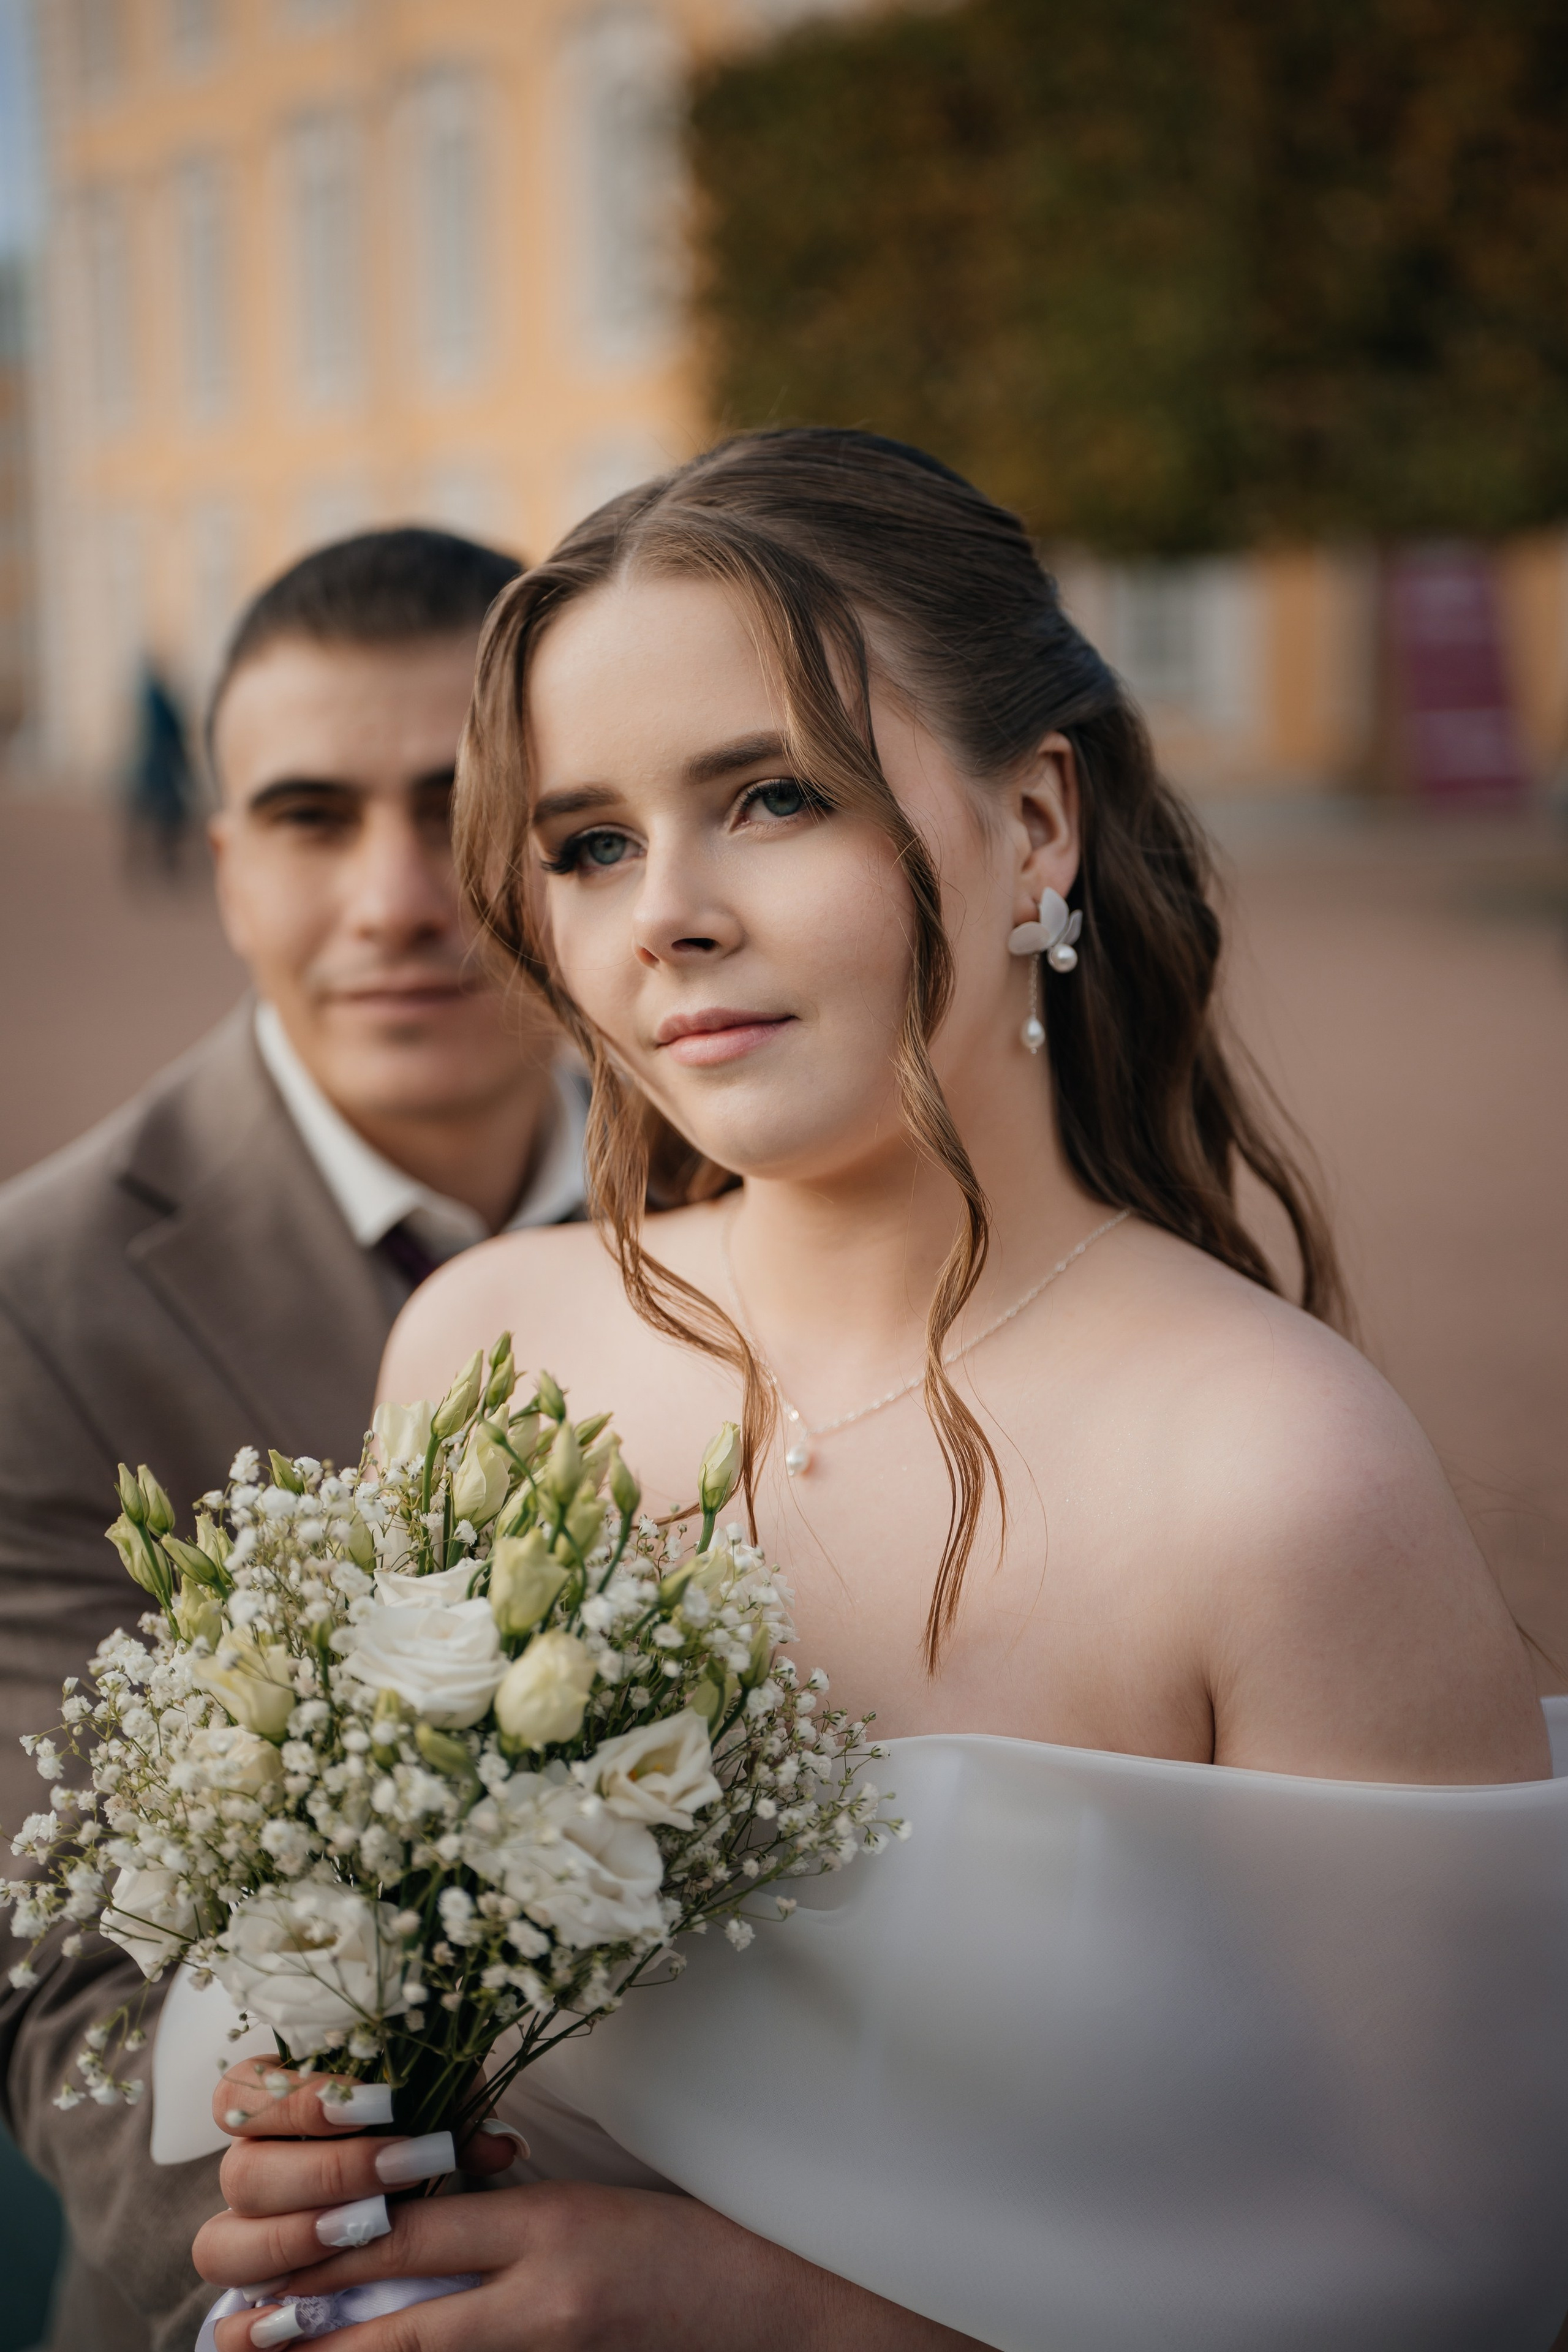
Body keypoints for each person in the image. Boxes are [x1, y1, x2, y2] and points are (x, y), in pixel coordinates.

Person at [182, 434, 1564, 2347]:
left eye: (771, 796)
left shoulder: (1275, 1476)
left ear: (1041, 824)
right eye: (590, 843)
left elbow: (1470, 2277)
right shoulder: (487, 1352)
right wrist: (317, 2135)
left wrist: (757, 2313)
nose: (663, 911)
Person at [0, 526, 587, 2352]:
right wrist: (317, 2278)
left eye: (465, 810)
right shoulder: (38, 1307)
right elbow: (74, 1972)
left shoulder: (791, 1190)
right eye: (315, 816)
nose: (400, 897)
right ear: (229, 857)